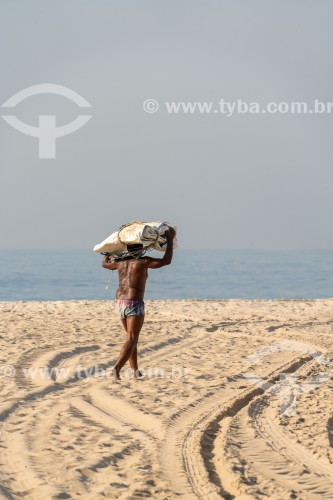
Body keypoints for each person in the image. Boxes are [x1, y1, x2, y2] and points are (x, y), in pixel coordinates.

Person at [102, 227, 176, 380]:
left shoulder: (120, 262)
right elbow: (166, 261)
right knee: (132, 338)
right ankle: (116, 369)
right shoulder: (143, 261)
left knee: (131, 338)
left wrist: (110, 252)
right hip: (133, 301)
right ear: (142, 248)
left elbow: (104, 263)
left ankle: (135, 370)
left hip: (120, 302)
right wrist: (169, 239)